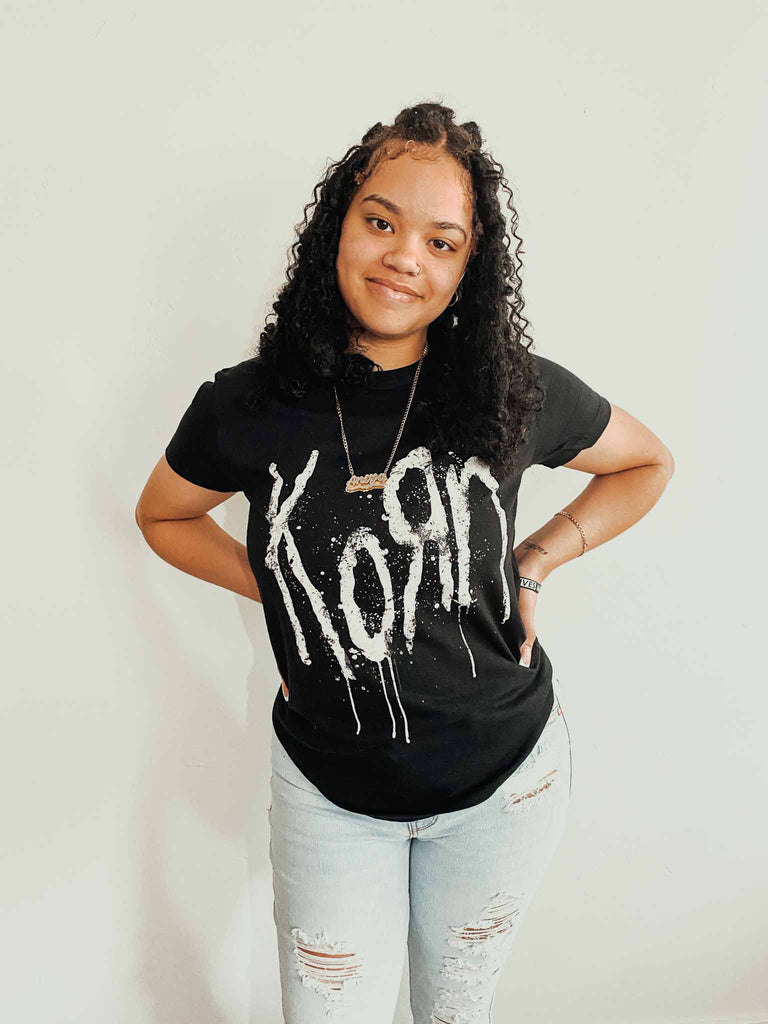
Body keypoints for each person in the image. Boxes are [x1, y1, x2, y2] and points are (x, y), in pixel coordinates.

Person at [136, 101, 674, 1023]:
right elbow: (164, 514)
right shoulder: (246, 405)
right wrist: (273, 584)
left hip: (503, 786)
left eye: (441, 241)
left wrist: (538, 559)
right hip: (328, 794)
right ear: (339, 223)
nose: (404, 258)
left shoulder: (512, 390)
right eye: (381, 222)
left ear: (468, 268)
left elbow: (646, 461)